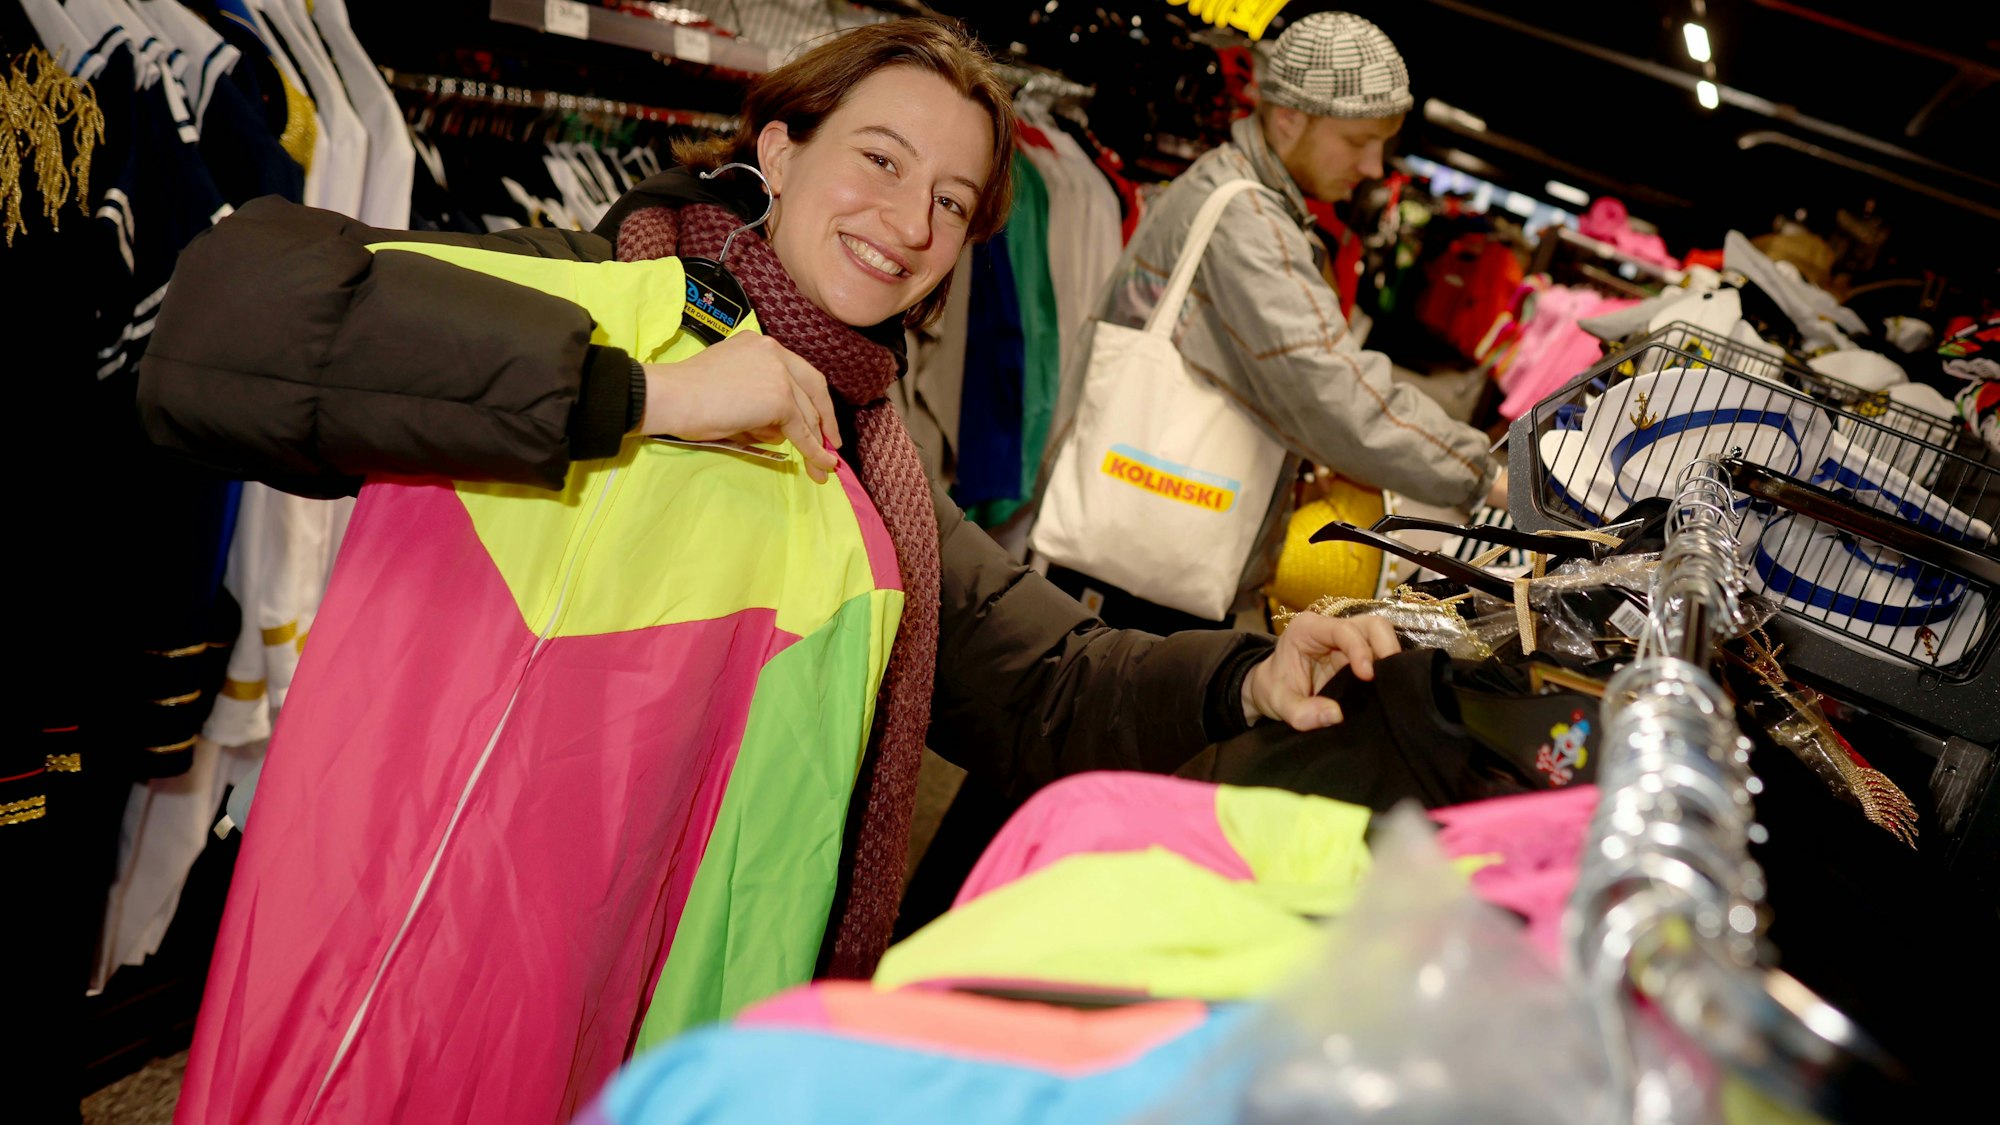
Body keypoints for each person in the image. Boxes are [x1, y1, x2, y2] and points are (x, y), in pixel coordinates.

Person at [136, 19, 1402, 1124]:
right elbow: (226, 331)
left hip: (657, 1003)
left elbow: (1043, 677)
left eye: (953, 203)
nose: (909, 225)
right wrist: (645, 393)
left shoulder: (871, 464)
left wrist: (1248, 674)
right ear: (782, 151)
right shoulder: (595, 298)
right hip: (417, 979)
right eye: (881, 160)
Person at [1037, 11, 1509, 635]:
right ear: (1290, 117)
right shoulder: (1249, 222)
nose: (1373, 168)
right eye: (1359, 141)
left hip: (1145, 544)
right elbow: (1332, 392)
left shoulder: (1238, 193)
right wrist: (1486, 476)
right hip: (1138, 562)